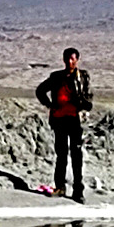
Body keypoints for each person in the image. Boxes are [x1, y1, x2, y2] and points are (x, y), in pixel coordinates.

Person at [35, 47, 93, 202]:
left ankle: (78, 190)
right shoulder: (56, 77)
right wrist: (50, 104)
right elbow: (40, 90)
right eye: (67, 59)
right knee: (61, 154)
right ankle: (60, 186)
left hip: (74, 119)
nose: (70, 62)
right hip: (59, 119)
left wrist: (80, 103)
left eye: (73, 59)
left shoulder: (82, 77)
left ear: (77, 60)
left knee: (76, 154)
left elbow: (88, 100)